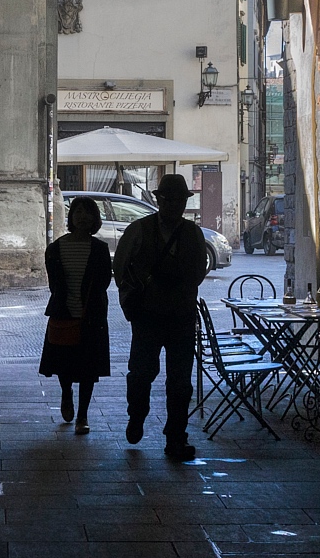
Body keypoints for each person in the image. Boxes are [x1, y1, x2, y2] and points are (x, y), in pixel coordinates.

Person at [114, 173, 208, 461]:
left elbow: (198, 272)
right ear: (158, 200)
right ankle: (137, 415)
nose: (173, 205)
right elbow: (120, 269)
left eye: (178, 200)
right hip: (148, 316)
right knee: (142, 373)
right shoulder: (138, 230)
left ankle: (176, 437)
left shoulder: (193, 233)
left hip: (180, 316)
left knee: (180, 381)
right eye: (168, 200)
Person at [38, 196, 112, 435]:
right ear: (71, 217)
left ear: (94, 219)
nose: (82, 216)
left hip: (92, 316)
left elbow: (103, 282)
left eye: (87, 212)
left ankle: (83, 415)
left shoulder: (100, 249)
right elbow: (54, 284)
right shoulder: (56, 248)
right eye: (78, 212)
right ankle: (66, 393)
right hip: (64, 313)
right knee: (64, 365)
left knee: (89, 368)